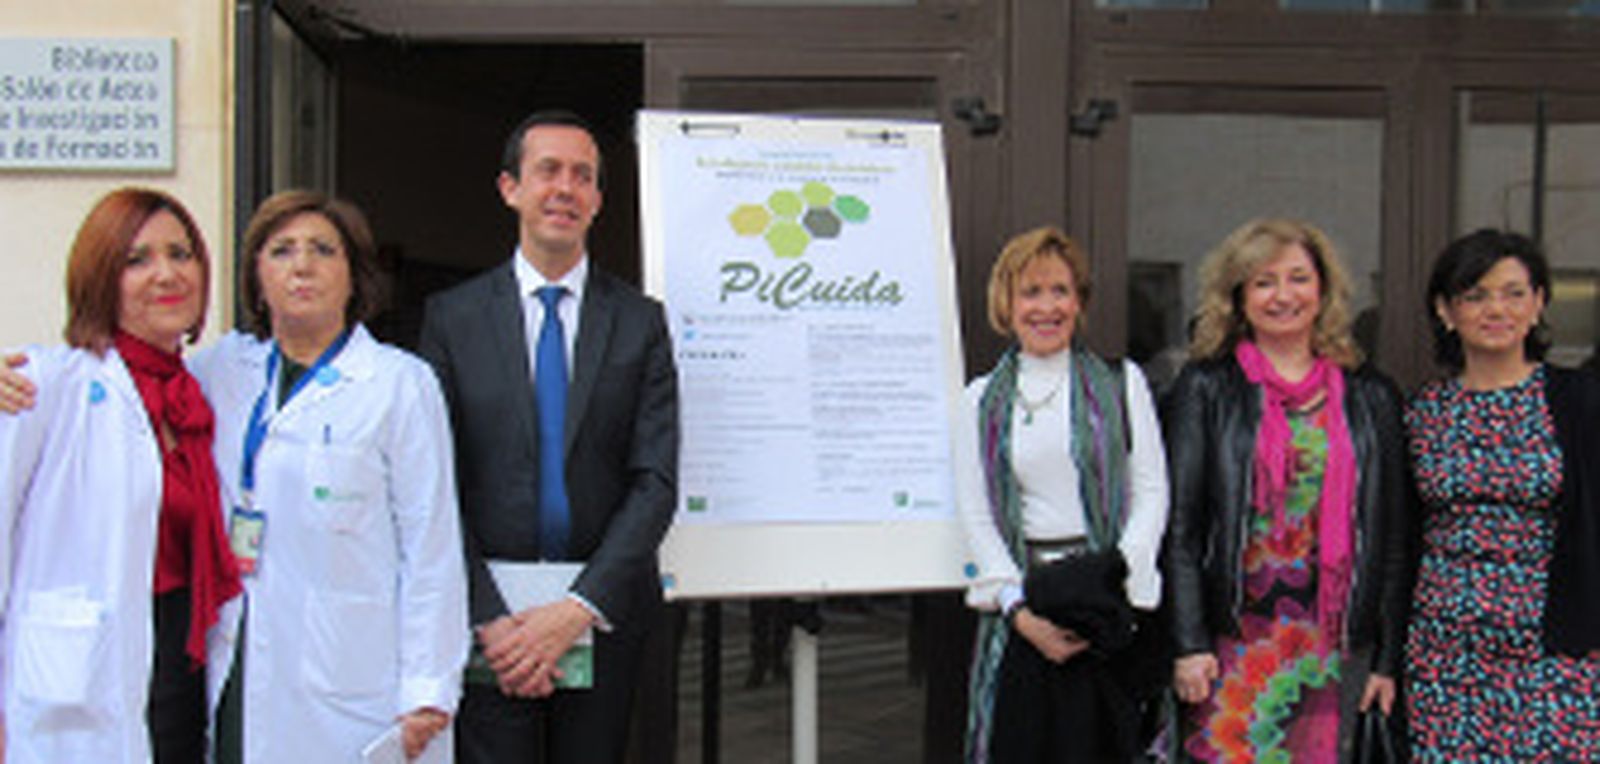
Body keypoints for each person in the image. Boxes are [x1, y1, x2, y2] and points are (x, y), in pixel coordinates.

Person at [416, 110, 678, 763]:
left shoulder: (640, 323)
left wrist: (578, 607)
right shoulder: (453, 319)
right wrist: (489, 616)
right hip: (489, 623)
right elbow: (432, 483)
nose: (565, 188)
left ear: (598, 200)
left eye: (583, 176)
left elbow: (655, 481)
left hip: (601, 617)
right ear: (510, 188)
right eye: (548, 171)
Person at [191, 190, 468, 762]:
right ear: (256, 278)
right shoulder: (221, 370)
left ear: (354, 278)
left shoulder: (399, 384)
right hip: (244, 658)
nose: (302, 265)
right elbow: (126, 378)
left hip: (355, 678)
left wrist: (428, 686)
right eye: (281, 250)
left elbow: (431, 548)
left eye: (323, 250)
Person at [0, 187, 241, 762]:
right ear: (100, 276)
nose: (167, 274)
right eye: (138, 260)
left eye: (180, 254)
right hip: (76, 679)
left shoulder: (201, 395)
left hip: (180, 667)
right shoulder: (42, 385)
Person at [1162, 218, 1412, 762]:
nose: (1283, 296)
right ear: (1239, 296)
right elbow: (1181, 529)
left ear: (1323, 290)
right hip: (1231, 645)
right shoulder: (1206, 388)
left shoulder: (1371, 395)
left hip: (1333, 646)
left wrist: (1387, 659)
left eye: (1298, 278)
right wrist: (1189, 643)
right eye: (1264, 281)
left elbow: (1393, 538)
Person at [956, 226, 1170, 762]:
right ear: (1006, 304)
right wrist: (1020, 614)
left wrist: (1117, 580)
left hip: (1110, 606)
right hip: (1027, 609)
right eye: (1031, 292)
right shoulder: (980, 401)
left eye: (1060, 291)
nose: (1047, 307)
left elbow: (1151, 489)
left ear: (1080, 301)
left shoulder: (1123, 384)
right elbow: (976, 516)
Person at [1405, 229, 1600, 760]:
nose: (1497, 309)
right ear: (1446, 311)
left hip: (1557, 652)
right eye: (1476, 295)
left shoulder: (1579, 401)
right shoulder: (1422, 413)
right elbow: (1404, 533)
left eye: (1514, 293)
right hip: (1444, 654)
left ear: (1538, 304)